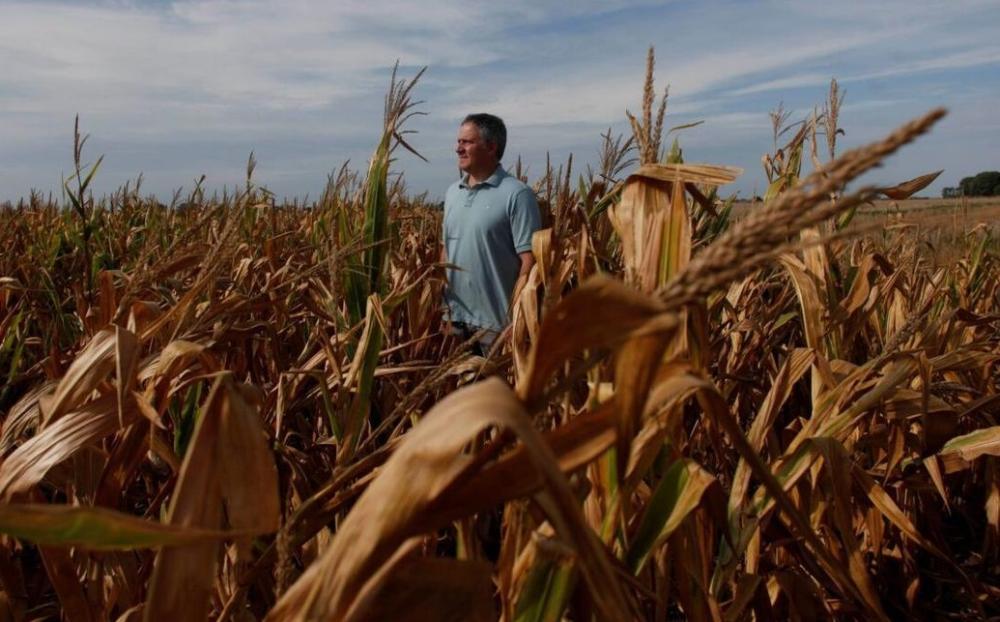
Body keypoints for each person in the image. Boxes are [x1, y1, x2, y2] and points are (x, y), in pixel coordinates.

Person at [442, 113, 542, 354]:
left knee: (496, 392)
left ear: (491, 147)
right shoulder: (452, 193)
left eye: (467, 142)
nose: (458, 148)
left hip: (497, 328)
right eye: (458, 142)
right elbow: (446, 251)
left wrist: (517, 321)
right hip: (456, 323)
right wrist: (444, 310)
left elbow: (530, 263)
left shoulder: (517, 195)